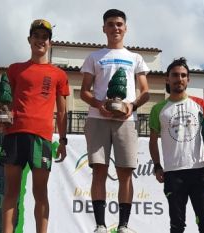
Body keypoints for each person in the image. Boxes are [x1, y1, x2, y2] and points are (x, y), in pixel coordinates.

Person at [0, 19, 69, 233]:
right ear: (29, 40)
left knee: (40, 192)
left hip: (41, 137)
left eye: (45, 37)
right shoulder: (15, 69)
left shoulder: (59, 74)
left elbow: (62, 111)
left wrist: (62, 140)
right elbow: (4, 103)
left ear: (50, 43)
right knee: (11, 192)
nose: (40, 40)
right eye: (36, 36)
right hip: (14, 134)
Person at [80, 9, 150, 233]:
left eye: (119, 24)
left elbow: (145, 91)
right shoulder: (94, 57)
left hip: (126, 121)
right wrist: (100, 105)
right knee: (99, 171)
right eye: (111, 24)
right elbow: (84, 91)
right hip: (97, 119)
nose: (115, 28)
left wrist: (132, 106)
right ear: (104, 29)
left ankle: (123, 225)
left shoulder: (135, 58)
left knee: (125, 173)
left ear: (125, 28)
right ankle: (100, 225)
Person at [149, 57, 204, 233]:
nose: (179, 78)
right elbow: (152, 142)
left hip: (199, 170)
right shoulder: (158, 109)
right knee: (177, 225)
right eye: (175, 75)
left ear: (188, 79)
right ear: (167, 79)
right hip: (173, 173)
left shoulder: (200, 104)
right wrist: (157, 166)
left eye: (183, 75)